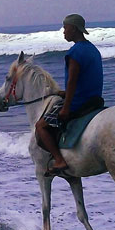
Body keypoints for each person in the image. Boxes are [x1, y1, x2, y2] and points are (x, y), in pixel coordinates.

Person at [35, 14, 103, 176]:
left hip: (79, 102)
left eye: (65, 28)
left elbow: (72, 81)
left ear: (73, 28)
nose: (63, 32)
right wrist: (64, 92)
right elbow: (87, 78)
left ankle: (59, 160)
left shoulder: (75, 52)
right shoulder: (92, 49)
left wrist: (66, 107)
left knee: (41, 126)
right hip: (94, 99)